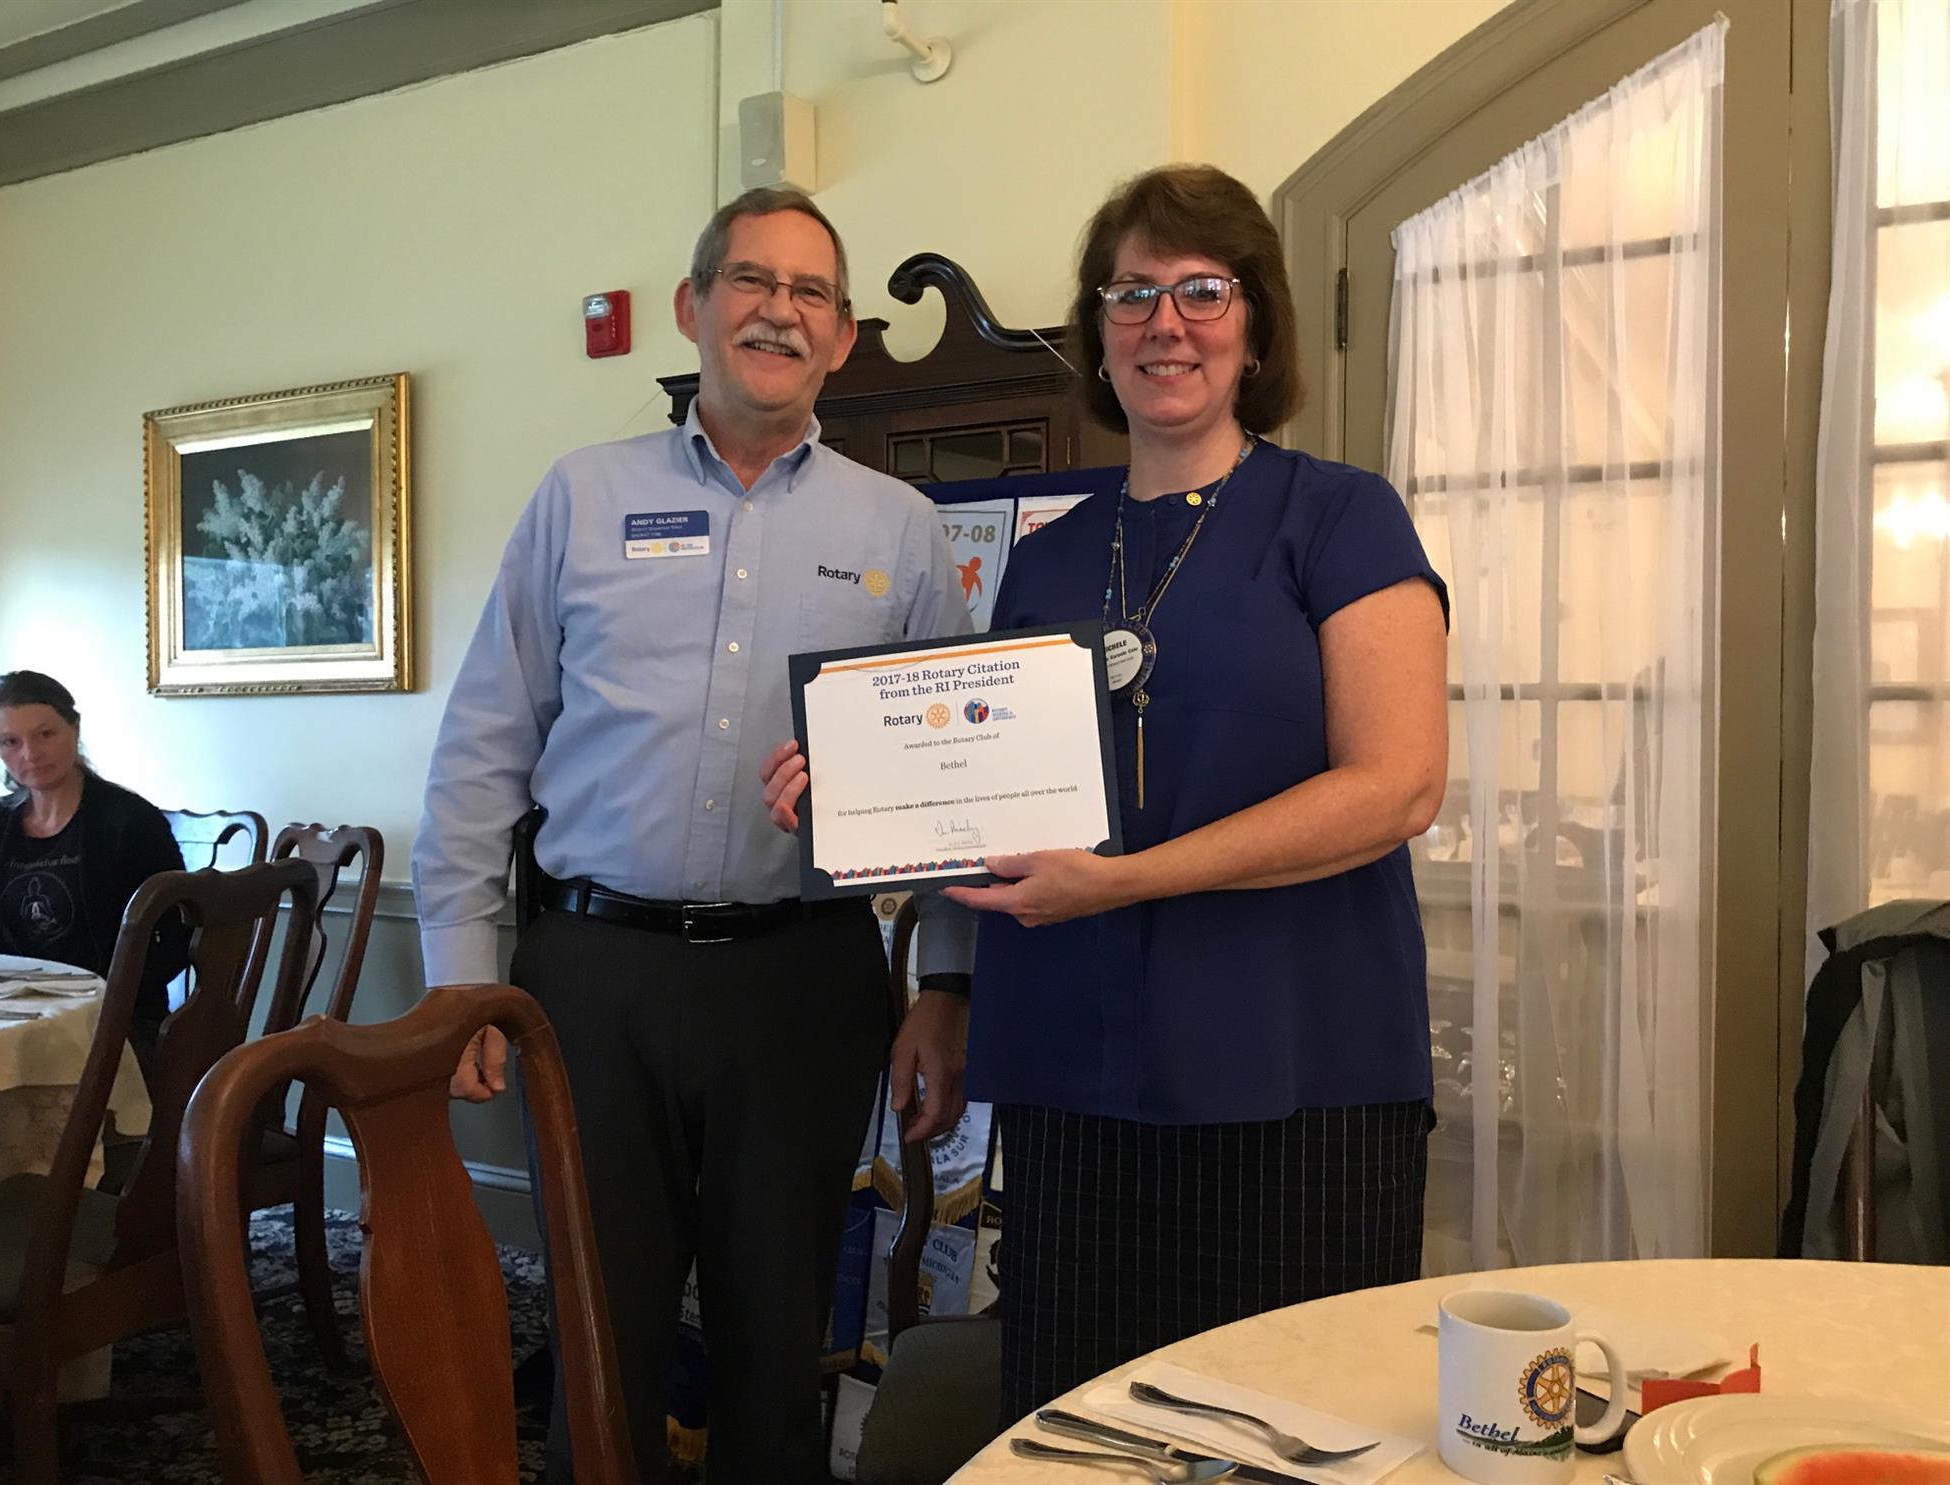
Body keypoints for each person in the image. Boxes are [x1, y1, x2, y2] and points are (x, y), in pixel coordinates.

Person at [767, 163, 1452, 1423]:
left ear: (1256, 329)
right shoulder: (1047, 562)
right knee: (1087, 1425)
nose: (1164, 322)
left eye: (1202, 290)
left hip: (1300, 1064)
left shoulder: (1341, 518)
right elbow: (980, 803)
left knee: (1303, 1429)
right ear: (1097, 331)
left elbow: (1396, 786)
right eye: (1131, 294)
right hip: (1075, 1076)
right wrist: (856, 803)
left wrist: (1127, 882)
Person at [413, 187, 975, 1484]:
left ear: (842, 337)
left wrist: (947, 985)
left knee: (778, 1346)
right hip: (592, 980)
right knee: (597, 1341)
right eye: (750, 280)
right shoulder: (580, 495)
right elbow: (483, 748)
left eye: (811, 292)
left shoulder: (899, 530)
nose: (780, 310)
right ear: (694, 305)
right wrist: (459, 976)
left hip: (802, 982)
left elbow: (953, 789)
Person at [0, 670, 187, 1069]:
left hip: (115, 1022)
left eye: (45, 734)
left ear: (74, 728)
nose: (30, 754)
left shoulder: (131, 821)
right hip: (12, 1017)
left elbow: (177, 938)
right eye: (11, 742)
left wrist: (110, 996)